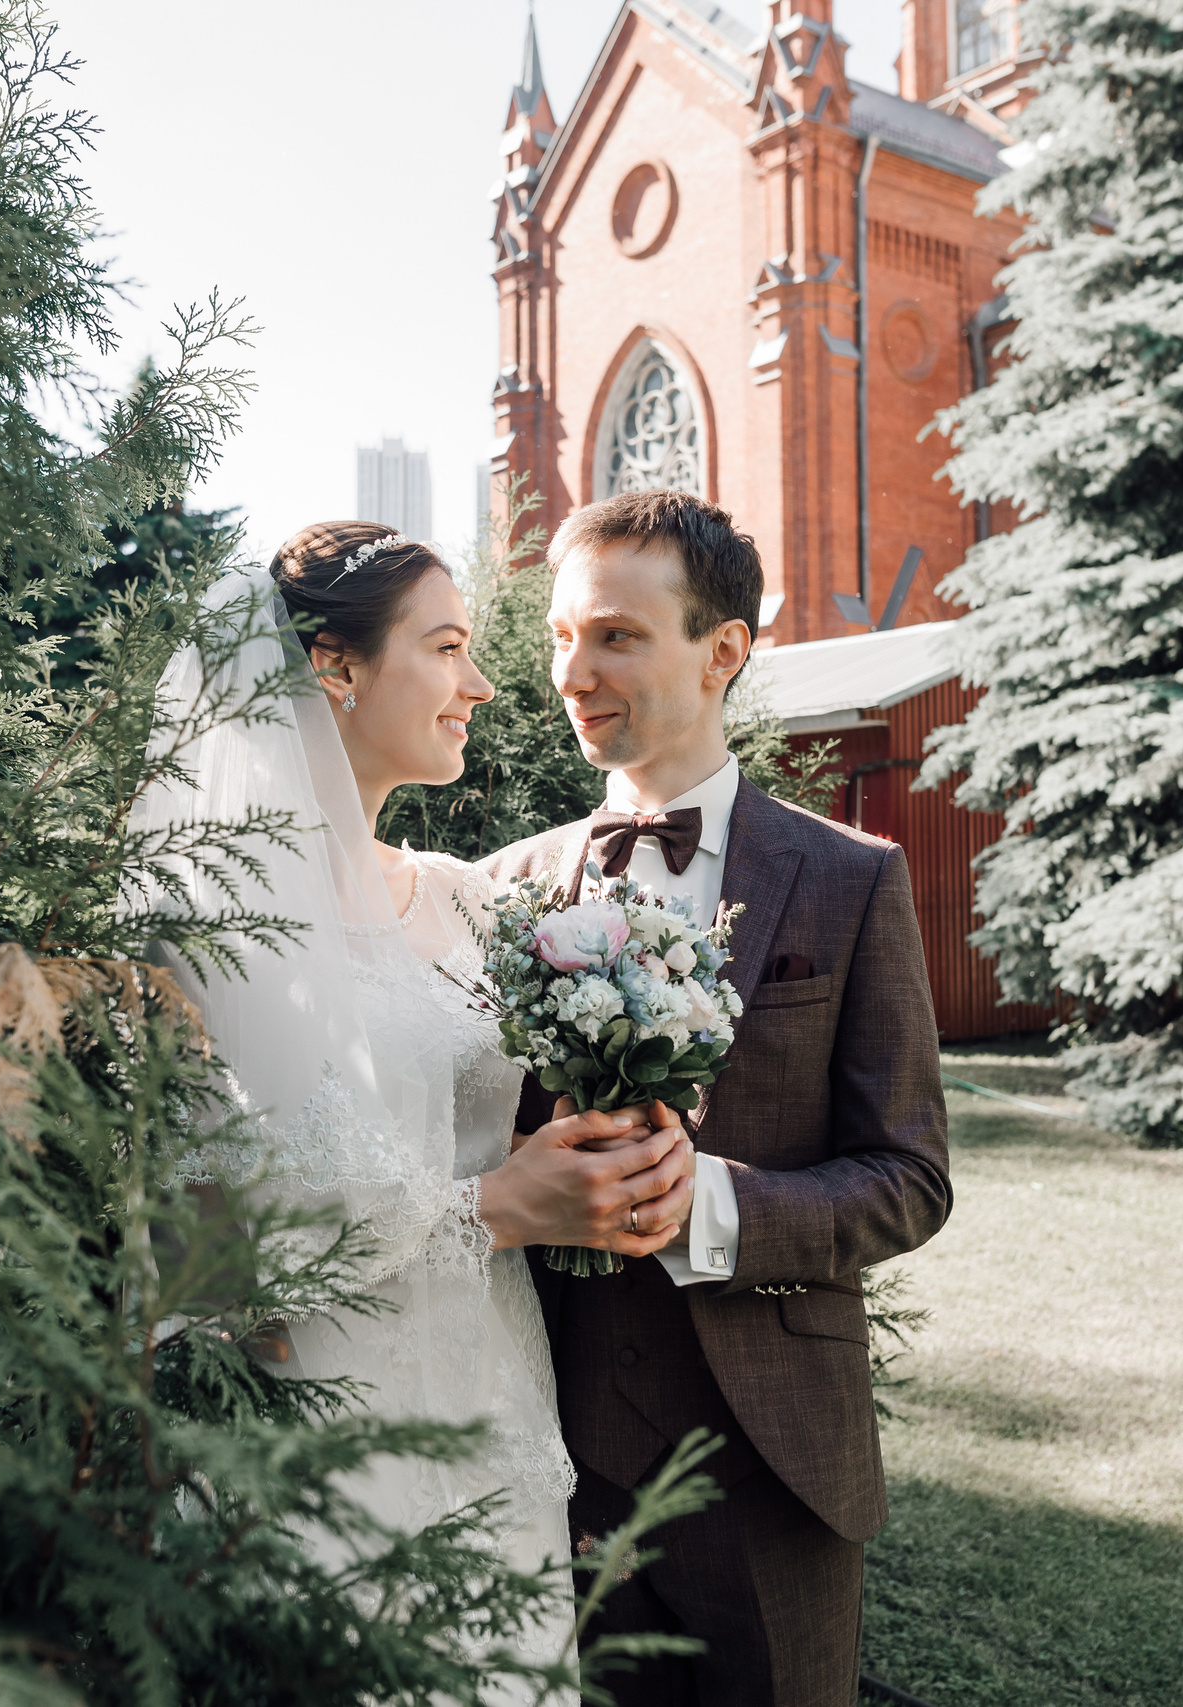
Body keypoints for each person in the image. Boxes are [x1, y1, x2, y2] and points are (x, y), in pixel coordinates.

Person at [138, 522, 700, 1695]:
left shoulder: (462, 901)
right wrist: (486, 1208)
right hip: (310, 1441)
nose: (483, 684)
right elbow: (191, 1254)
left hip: (496, 1423)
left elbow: (519, 1110)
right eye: (446, 647)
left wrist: (620, 1133)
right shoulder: (198, 921)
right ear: (332, 668)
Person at [483, 490, 953, 1707]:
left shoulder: (851, 881)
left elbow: (909, 1180)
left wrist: (717, 1207)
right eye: (558, 637)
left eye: (616, 637)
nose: (571, 673)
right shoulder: (497, 893)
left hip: (772, 1465)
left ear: (723, 649)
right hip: (550, 1460)